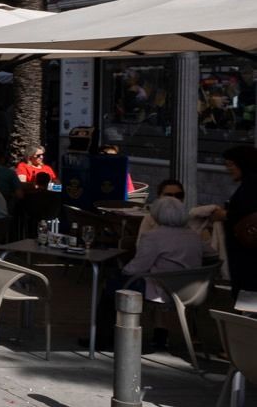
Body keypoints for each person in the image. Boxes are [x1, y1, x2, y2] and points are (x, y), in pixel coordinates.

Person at [89, 196, 206, 347]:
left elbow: (137, 267)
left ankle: (104, 337)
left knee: (111, 283)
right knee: (118, 280)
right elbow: (213, 254)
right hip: (191, 290)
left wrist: (122, 271)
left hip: (162, 289)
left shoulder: (153, 237)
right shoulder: (193, 236)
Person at [217, 145, 257, 297]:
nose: (228, 169)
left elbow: (245, 211)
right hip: (247, 254)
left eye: (231, 164)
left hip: (248, 257)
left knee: (247, 297)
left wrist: (225, 214)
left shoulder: (251, 185)